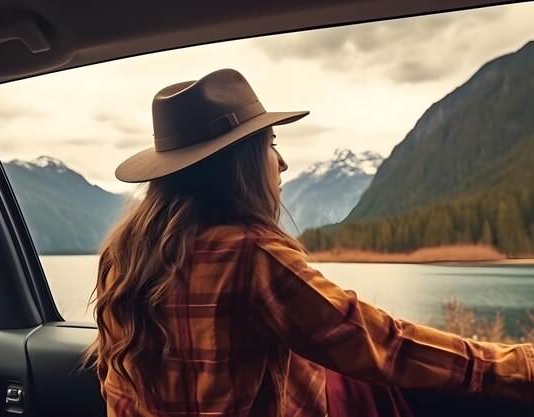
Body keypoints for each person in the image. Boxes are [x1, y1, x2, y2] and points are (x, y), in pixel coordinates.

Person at [85, 68, 534, 417]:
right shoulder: (253, 256)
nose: (282, 163)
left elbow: (116, 391)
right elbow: (381, 343)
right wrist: (519, 364)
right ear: (236, 163)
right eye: (270, 144)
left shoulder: (121, 256)